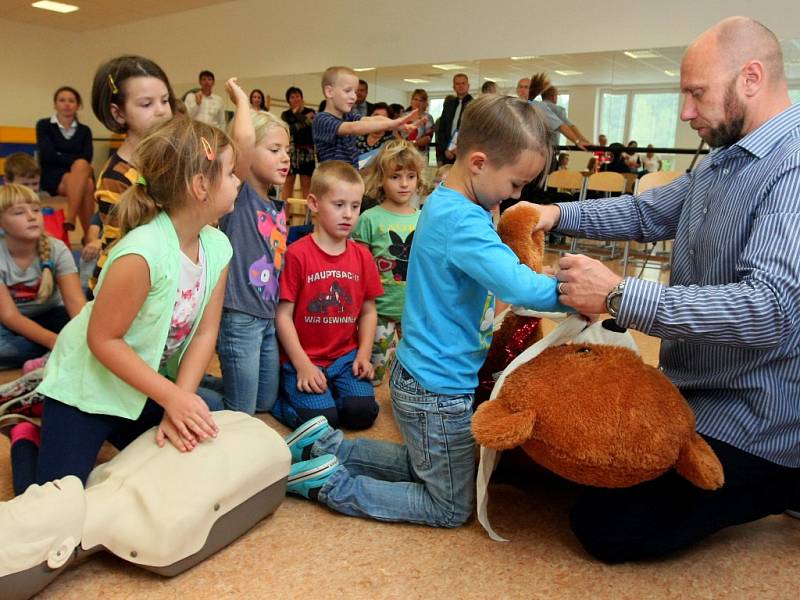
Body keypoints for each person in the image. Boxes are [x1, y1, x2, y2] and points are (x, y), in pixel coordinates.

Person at [533, 16, 800, 563]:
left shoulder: (791, 166)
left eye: (696, 94)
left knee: (607, 525)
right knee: (563, 454)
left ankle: (787, 481)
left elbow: (770, 309)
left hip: (755, 421)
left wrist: (617, 295)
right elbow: (646, 210)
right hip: (684, 393)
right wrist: (555, 210)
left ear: (751, 77)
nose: (685, 112)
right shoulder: (726, 159)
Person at [280, 94, 569, 525]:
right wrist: (572, 292)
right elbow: (516, 284)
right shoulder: (463, 222)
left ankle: (330, 448)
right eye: (514, 185)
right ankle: (331, 484)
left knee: (432, 465)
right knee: (450, 506)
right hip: (438, 387)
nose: (518, 195)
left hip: (422, 374)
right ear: (478, 163)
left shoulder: (445, 201)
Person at [1, 115, 236, 496]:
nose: (237, 181)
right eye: (230, 173)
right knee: (51, 508)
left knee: (188, 473)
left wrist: (182, 398)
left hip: (141, 388)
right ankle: (25, 433)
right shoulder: (142, 253)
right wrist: (171, 396)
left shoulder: (218, 247)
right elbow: (103, 339)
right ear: (200, 187)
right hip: (86, 390)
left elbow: (206, 332)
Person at [270, 160, 382, 430]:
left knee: (362, 413)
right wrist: (302, 365)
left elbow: (368, 310)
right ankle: (280, 400)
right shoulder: (297, 254)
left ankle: (333, 395)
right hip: (305, 358)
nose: (348, 215)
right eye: (339, 204)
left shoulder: (362, 256)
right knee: (323, 422)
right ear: (314, 203)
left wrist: (363, 356)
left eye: (355, 206)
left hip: (345, 358)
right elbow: (283, 316)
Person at [217, 78, 289, 415]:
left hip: (266, 316)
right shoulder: (238, 194)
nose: (285, 158)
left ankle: (194, 384)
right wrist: (243, 103)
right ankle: (175, 395)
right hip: (240, 316)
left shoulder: (274, 203)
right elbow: (241, 143)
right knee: (240, 411)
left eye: (286, 150)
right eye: (274, 150)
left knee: (264, 402)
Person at [89, 54, 176, 295]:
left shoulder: (172, 161)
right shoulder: (114, 178)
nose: (161, 111)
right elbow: (123, 251)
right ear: (118, 113)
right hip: (122, 289)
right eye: (146, 104)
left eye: (165, 100)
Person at [353, 139, 423, 385]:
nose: (404, 184)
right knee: (373, 374)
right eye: (395, 177)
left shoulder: (425, 219)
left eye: (410, 176)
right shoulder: (369, 219)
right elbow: (357, 265)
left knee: (412, 373)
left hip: (414, 311)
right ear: (382, 179)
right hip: (378, 311)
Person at [0, 184, 85, 370]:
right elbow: (9, 316)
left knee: (89, 319)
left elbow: (76, 304)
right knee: (7, 348)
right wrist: (55, 341)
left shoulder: (57, 249)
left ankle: (55, 349)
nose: (31, 217)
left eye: (36, 210)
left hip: (51, 314)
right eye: (19, 213)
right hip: (8, 324)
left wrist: (86, 336)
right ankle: (59, 349)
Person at [311, 66, 416, 167]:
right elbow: (353, 128)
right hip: (333, 179)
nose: (354, 97)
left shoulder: (348, 116)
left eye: (355, 92)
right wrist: (391, 123)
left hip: (350, 175)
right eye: (347, 91)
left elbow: (372, 119)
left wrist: (397, 125)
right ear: (329, 92)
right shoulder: (322, 119)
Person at [35, 86, 95, 240]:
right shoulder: (44, 125)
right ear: (55, 104)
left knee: (83, 169)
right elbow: (47, 156)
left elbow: (88, 156)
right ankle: (89, 236)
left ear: (77, 105)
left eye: (71, 101)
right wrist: (74, 158)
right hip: (53, 176)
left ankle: (71, 218)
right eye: (62, 100)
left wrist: (62, 155)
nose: (67, 104)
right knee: (86, 181)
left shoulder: (85, 130)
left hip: (76, 176)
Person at [281, 86, 316, 200]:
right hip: (290, 152)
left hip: (307, 152)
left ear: (301, 98)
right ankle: (285, 216)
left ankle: (308, 217)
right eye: (292, 97)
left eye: (297, 96)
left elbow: (312, 125)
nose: (295, 99)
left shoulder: (310, 112)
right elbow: (289, 129)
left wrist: (298, 115)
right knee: (288, 184)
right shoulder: (285, 115)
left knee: (307, 185)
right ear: (288, 100)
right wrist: (304, 119)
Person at [435, 73, 473, 166]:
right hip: (447, 153)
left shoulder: (474, 105)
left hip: (464, 153)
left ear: (468, 86)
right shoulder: (448, 104)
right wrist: (445, 149)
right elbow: (442, 129)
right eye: (458, 84)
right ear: (454, 87)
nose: (461, 86)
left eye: (463, 83)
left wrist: (459, 149)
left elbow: (474, 131)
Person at [400, 88, 434, 156]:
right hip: (402, 152)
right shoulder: (403, 116)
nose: (417, 102)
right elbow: (395, 133)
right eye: (415, 99)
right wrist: (403, 144)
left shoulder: (428, 117)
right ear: (411, 100)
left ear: (424, 103)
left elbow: (428, 138)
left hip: (420, 154)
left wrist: (411, 143)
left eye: (421, 100)